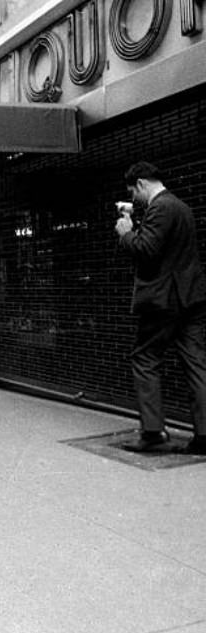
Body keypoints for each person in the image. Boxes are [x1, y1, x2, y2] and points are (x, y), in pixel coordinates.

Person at [115, 161, 206, 454]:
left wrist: (126, 232)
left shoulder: (160, 207)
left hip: (163, 300)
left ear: (141, 184)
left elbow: (146, 251)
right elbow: (164, 248)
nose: (134, 199)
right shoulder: (182, 207)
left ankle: (153, 432)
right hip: (189, 298)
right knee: (196, 365)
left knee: (144, 359)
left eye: (133, 192)